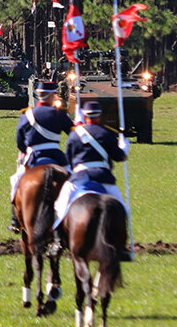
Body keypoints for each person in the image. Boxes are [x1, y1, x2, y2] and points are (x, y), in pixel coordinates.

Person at [52, 101, 131, 260]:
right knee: (122, 210)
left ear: (85, 116)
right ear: (100, 116)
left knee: (59, 207)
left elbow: (70, 159)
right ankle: (122, 247)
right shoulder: (108, 133)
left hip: (80, 178)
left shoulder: (75, 134)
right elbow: (119, 157)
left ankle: (58, 241)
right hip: (104, 178)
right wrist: (124, 146)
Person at [8, 81, 72, 233]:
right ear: (52, 95)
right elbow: (73, 133)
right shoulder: (60, 113)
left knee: (16, 181)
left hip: (33, 157)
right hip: (57, 156)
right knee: (73, 181)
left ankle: (15, 219)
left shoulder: (27, 114)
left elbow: (19, 141)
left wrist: (26, 151)